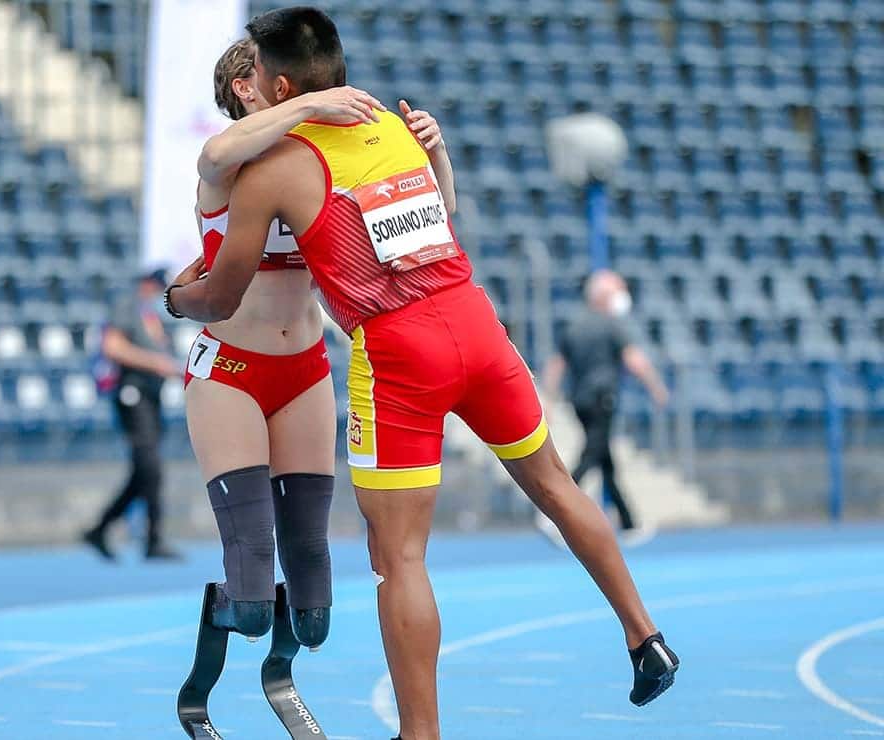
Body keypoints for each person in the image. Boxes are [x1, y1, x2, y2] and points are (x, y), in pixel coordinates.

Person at [164, 8, 680, 739]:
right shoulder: (389, 123)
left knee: (398, 558)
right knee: (558, 484)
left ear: (273, 85)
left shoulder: (277, 167)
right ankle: (644, 636)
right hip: (474, 320)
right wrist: (433, 153)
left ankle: (419, 733)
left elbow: (219, 291)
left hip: (400, 348)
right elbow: (442, 212)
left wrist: (175, 297)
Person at [182, 39, 453, 647]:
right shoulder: (228, 166)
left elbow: (435, 225)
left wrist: (434, 158)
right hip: (230, 372)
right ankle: (224, 609)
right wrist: (316, 104)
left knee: (314, 615)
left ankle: (279, 622)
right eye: (273, 72)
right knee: (252, 601)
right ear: (246, 89)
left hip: (304, 369)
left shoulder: (317, 163)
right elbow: (215, 150)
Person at [542, 270, 670, 533]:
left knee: (605, 460)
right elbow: (635, 361)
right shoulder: (612, 325)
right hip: (603, 400)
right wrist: (656, 387)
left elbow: (555, 366)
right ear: (602, 296)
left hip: (580, 401)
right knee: (591, 455)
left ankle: (628, 523)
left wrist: (550, 401)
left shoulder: (574, 325)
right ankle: (554, 509)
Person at [82, 269, 182, 561]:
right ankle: (153, 539)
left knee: (144, 472)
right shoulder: (127, 304)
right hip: (132, 393)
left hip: (150, 397)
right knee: (150, 467)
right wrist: (156, 363)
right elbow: (113, 346)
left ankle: (100, 528)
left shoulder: (149, 315)